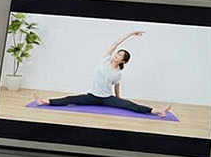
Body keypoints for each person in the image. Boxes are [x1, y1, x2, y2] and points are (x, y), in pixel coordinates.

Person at [32, 30, 173, 116]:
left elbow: (116, 87)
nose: (116, 55)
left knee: (130, 105)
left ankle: (157, 110)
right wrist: (131, 34)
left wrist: (119, 99)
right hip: (93, 96)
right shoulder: (105, 60)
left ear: (123, 61)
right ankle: (44, 101)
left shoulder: (118, 73)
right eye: (117, 53)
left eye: (120, 56)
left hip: (106, 98)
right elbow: (116, 43)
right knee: (71, 99)